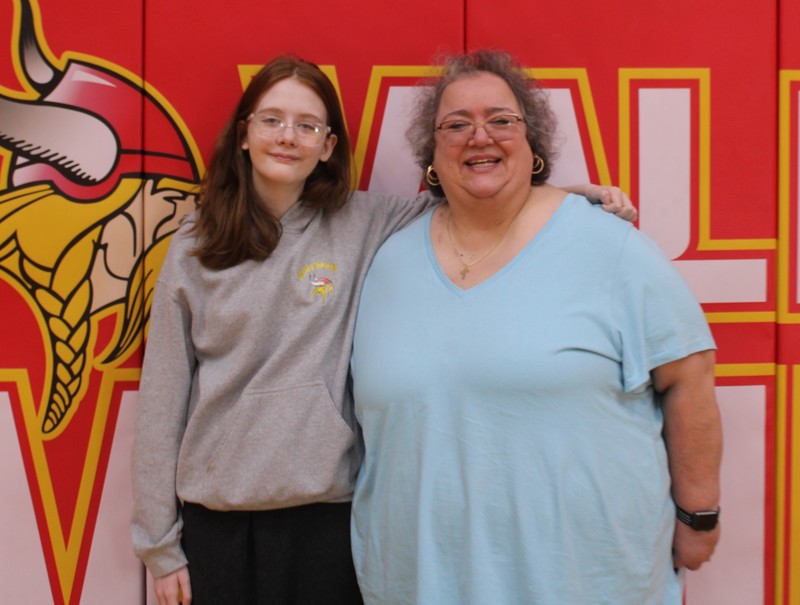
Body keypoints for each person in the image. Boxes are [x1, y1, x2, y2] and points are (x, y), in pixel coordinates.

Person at [130, 54, 635, 605]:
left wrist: (577, 198)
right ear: (245, 134)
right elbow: (162, 397)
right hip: (219, 526)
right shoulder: (196, 244)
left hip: (328, 522)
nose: (287, 136)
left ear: (327, 147)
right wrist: (160, 546)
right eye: (271, 119)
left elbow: (474, 198)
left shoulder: (363, 222)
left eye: (307, 125)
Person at [350, 49, 722, 605]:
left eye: (502, 120)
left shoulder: (611, 249)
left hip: (585, 580)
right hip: (419, 581)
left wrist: (699, 517)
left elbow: (688, 377)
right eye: (456, 124)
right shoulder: (387, 262)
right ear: (431, 153)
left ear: (533, 143)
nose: (480, 136)